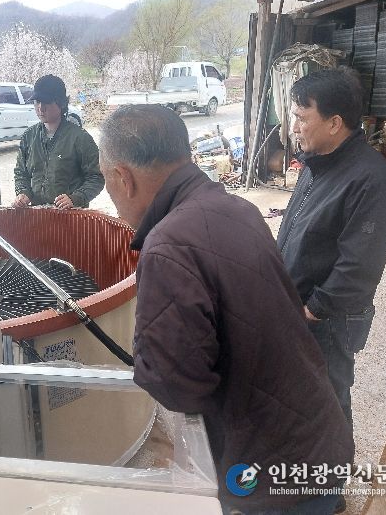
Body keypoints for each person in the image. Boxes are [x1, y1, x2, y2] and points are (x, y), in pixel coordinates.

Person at [99, 105, 353, 514]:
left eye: (106, 181)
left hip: (270, 472)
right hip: (316, 437)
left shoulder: (167, 247)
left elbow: (177, 385)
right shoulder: (237, 208)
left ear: (123, 178)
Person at [278, 70, 386, 429]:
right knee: (300, 399)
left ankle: (332, 467)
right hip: (301, 308)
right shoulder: (316, 162)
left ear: (334, 123)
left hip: (328, 321)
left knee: (327, 407)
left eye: (302, 118)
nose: (294, 127)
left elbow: (359, 267)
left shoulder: (373, 180)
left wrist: (312, 311)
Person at [13, 74, 104, 209]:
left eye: (47, 102)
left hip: (70, 214)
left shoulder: (80, 138)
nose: (41, 108)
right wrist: (23, 192)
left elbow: (96, 177)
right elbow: (21, 172)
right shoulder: (29, 136)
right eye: (37, 101)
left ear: (61, 103)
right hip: (38, 214)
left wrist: (76, 198)